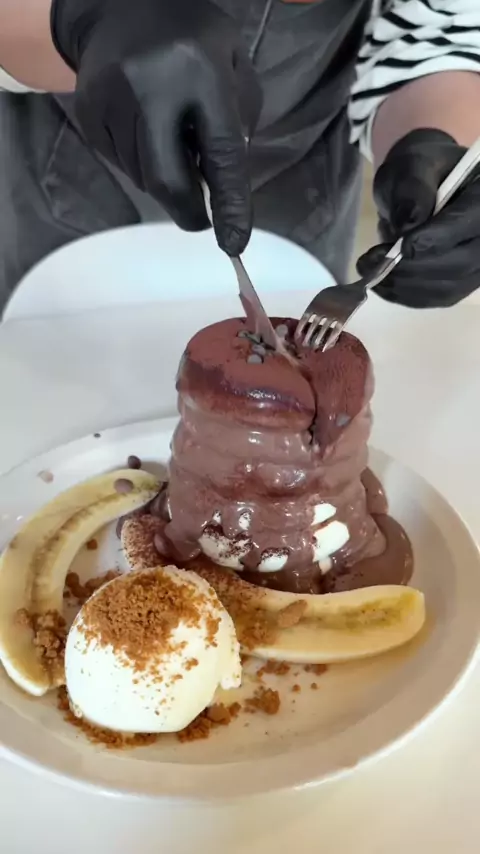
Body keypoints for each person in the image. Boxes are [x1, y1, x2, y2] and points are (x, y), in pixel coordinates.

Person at [1, 0, 480, 312]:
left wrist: (431, 145)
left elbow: (440, 26)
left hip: (300, 197)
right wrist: (79, 17)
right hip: (67, 192)